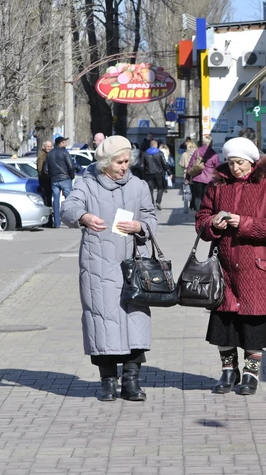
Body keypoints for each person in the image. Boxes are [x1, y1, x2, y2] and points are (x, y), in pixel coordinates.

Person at [61, 135, 157, 402]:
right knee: (102, 322)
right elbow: (68, 208)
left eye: (127, 161)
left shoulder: (138, 186)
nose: (125, 166)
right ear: (105, 162)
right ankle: (107, 381)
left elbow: (150, 216)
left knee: (135, 322)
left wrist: (141, 227)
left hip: (133, 267)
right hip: (98, 266)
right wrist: (83, 217)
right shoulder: (87, 183)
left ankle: (132, 381)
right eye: (119, 162)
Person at [195, 137, 266, 396]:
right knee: (223, 324)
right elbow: (201, 219)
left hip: (257, 268)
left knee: (253, 326)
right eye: (230, 162)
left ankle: (250, 374)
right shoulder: (217, 186)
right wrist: (214, 224)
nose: (235, 168)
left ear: (251, 161)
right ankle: (228, 370)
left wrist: (243, 223)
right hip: (224, 267)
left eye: (239, 163)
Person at [44, 136, 75, 228]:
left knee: (56, 202)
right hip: (65, 179)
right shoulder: (65, 153)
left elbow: (45, 170)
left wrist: (52, 176)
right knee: (69, 201)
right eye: (65, 142)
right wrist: (71, 176)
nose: (66, 144)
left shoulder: (49, 154)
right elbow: (71, 166)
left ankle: (57, 223)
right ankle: (71, 221)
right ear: (61, 143)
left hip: (54, 180)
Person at [186, 134, 219, 211]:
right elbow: (217, 167)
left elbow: (191, 164)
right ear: (211, 143)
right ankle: (205, 213)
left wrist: (187, 176)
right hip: (209, 180)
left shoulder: (197, 152)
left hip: (197, 178)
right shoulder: (214, 154)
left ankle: (198, 213)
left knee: (197, 197)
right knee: (207, 197)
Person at [141, 139, 167, 210]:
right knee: (160, 188)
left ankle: (152, 204)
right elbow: (164, 163)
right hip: (159, 173)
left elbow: (142, 165)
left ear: (150, 145)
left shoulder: (145, 153)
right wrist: (168, 171)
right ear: (156, 145)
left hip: (148, 174)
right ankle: (158, 202)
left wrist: (143, 174)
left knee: (150, 189)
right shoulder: (160, 153)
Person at [179, 139, 197, 210]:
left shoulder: (185, 154)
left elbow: (181, 164)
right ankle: (195, 204)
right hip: (197, 173)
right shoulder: (198, 152)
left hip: (188, 174)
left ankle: (189, 205)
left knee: (187, 191)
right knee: (196, 191)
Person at [36, 140, 54, 208]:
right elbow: (40, 169)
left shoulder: (48, 154)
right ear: (44, 147)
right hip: (45, 180)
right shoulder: (42, 156)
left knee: (49, 197)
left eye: (50, 146)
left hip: (48, 180)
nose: (49, 148)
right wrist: (45, 178)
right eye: (48, 146)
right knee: (47, 198)